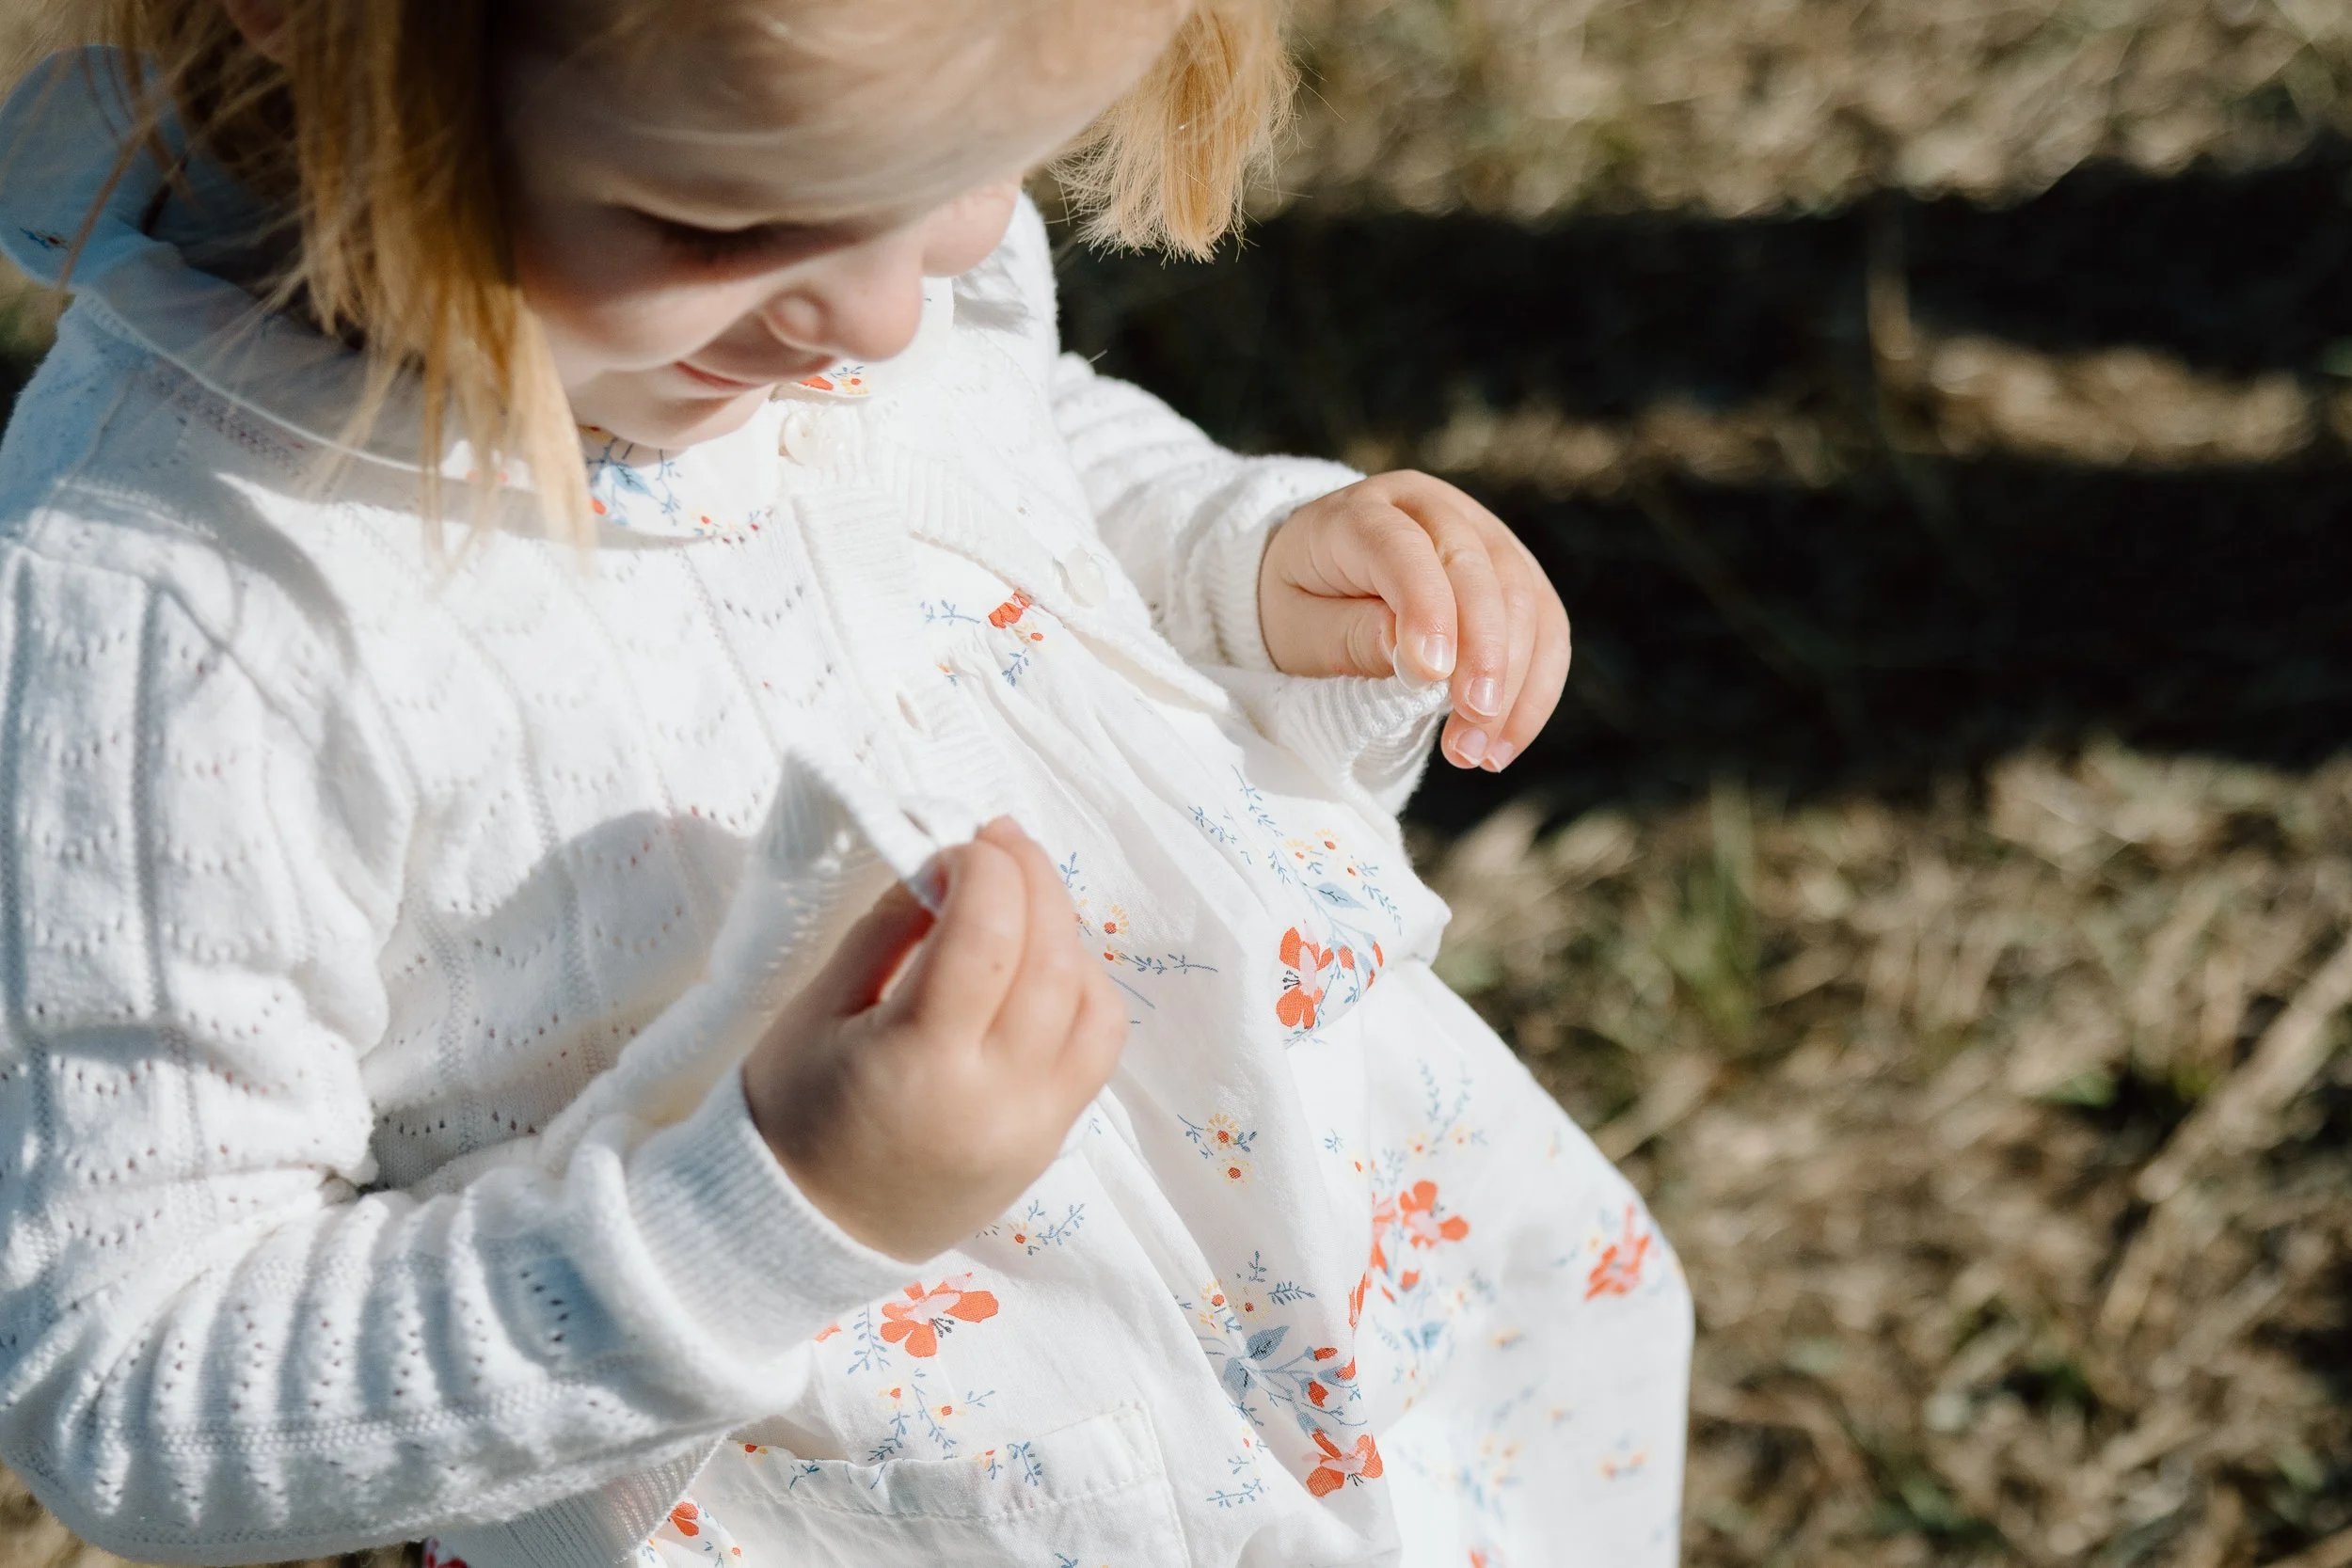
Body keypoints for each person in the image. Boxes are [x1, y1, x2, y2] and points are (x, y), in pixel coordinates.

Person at [0, 0, 1691, 1562]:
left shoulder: (836, 237)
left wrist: (1243, 560)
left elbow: (1013, 438)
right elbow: (131, 1376)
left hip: (1327, 1314)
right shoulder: (186, 604)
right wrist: (772, 1207)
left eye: (970, 186)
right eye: (722, 230)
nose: (883, 320)